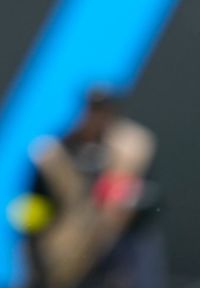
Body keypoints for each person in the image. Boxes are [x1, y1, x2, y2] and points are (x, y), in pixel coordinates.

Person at [16, 89, 165, 288]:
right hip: (64, 245)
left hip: (116, 243)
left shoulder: (133, 149)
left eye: (104, 111)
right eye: (93, 110)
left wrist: (125, 198)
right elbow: (35, 205)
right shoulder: (54, 153)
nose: (97, 118)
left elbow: (151, 199)